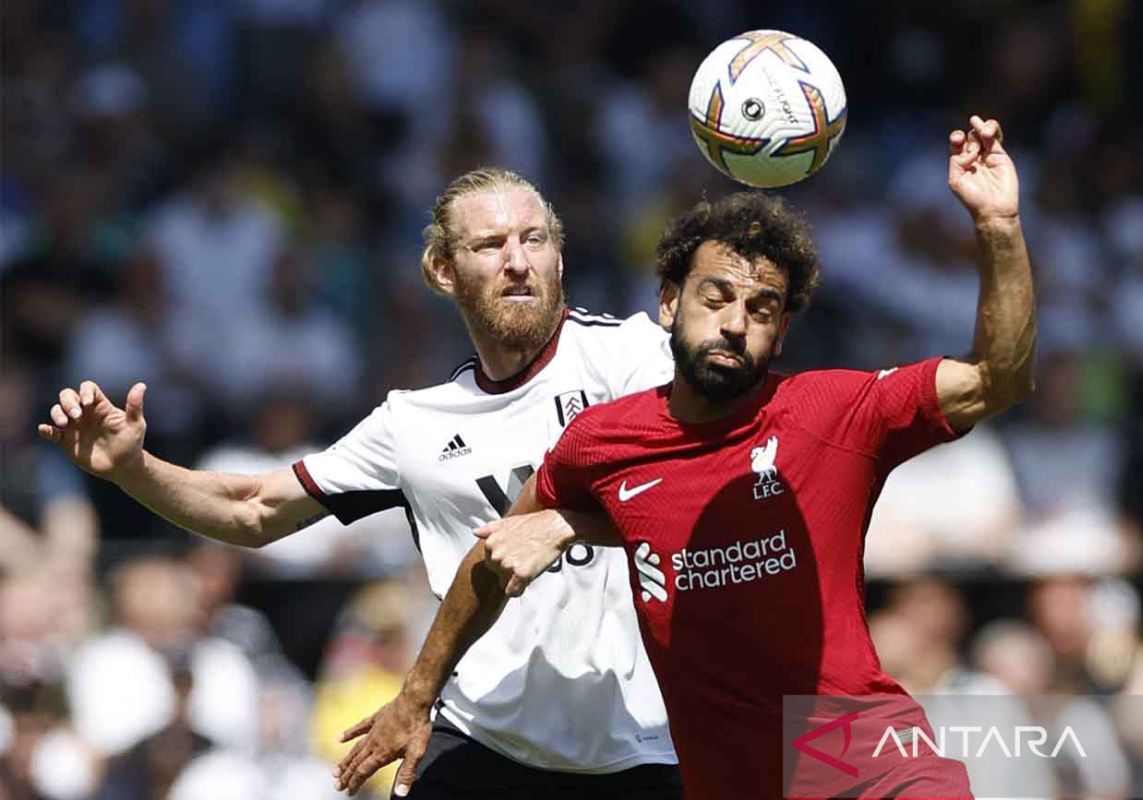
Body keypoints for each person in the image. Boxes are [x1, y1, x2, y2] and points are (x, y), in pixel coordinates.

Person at [347, 117, 1035, 799]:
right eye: (716, 297)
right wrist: (417, 695)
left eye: (763, 307)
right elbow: (494, 561)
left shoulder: (832, 413)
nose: (736, 321)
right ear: (670, 305)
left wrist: (998, 227)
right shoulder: (602, 442)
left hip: (861, 769)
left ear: (783, 329)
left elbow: (995, 378)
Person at [38, 168, 681, 799]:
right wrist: (132, 468)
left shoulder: (632, 359)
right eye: (490, 245)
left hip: (639, 744)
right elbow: (255, 510)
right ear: (443, 271)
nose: (518, 261)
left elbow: (702, 493)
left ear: (559, 259)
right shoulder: (416, 424)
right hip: (486, 739)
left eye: (534, 240)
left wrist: (563, 523)